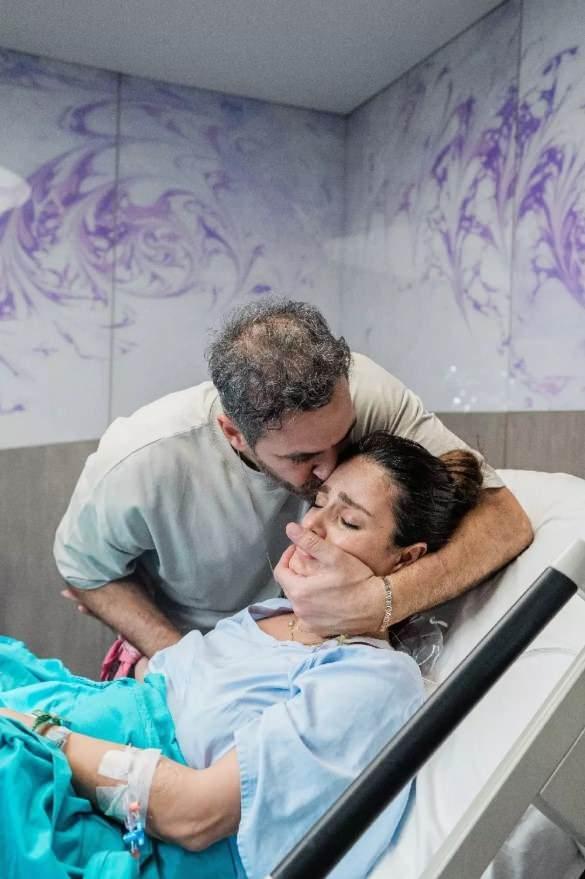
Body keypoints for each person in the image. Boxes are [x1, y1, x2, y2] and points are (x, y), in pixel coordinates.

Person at [2, 433, 483, 879]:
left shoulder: (371, 679)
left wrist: (36, 731)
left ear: (405, 559)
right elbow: (182, 692)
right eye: (319, 502)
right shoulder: (274, 614)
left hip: (127, 835)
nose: (311, 526)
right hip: (76, 744)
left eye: (348, 521)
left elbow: (194, 815)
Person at [54, 298, 533, 675]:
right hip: (201, 647)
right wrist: (190, 667)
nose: (330, 470)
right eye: (302, 458)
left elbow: (504, 519)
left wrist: (379, 603)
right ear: (234, 434)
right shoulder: (142, 461)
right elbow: (87, 573)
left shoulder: (370, 394)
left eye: (345, 438)